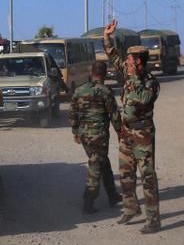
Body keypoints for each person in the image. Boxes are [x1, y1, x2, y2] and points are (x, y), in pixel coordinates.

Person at [104, 19, 161, 233]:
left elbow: (143, 100)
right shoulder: (128, 72)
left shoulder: (150, 82)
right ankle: (130, 209)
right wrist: (107, 36)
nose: (125, 62)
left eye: (129, 60)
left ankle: (153, 219)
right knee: (126, 174)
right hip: (127, 134)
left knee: (147, 177)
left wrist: (135, 77)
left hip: (143, 136)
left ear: (138, 63)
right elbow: (113, 55)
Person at [68, 60, 123, 214]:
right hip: (99, 135)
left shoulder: (79, 91)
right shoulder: (105, 92)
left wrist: (75, 132)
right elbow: (114, 115)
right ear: (105, 73)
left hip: (85, 135)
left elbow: (72, 113)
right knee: (96, 165)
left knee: (102, 162)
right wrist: (121, 132)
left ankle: (112, 195)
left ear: (91, 72)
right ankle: (88, 200)